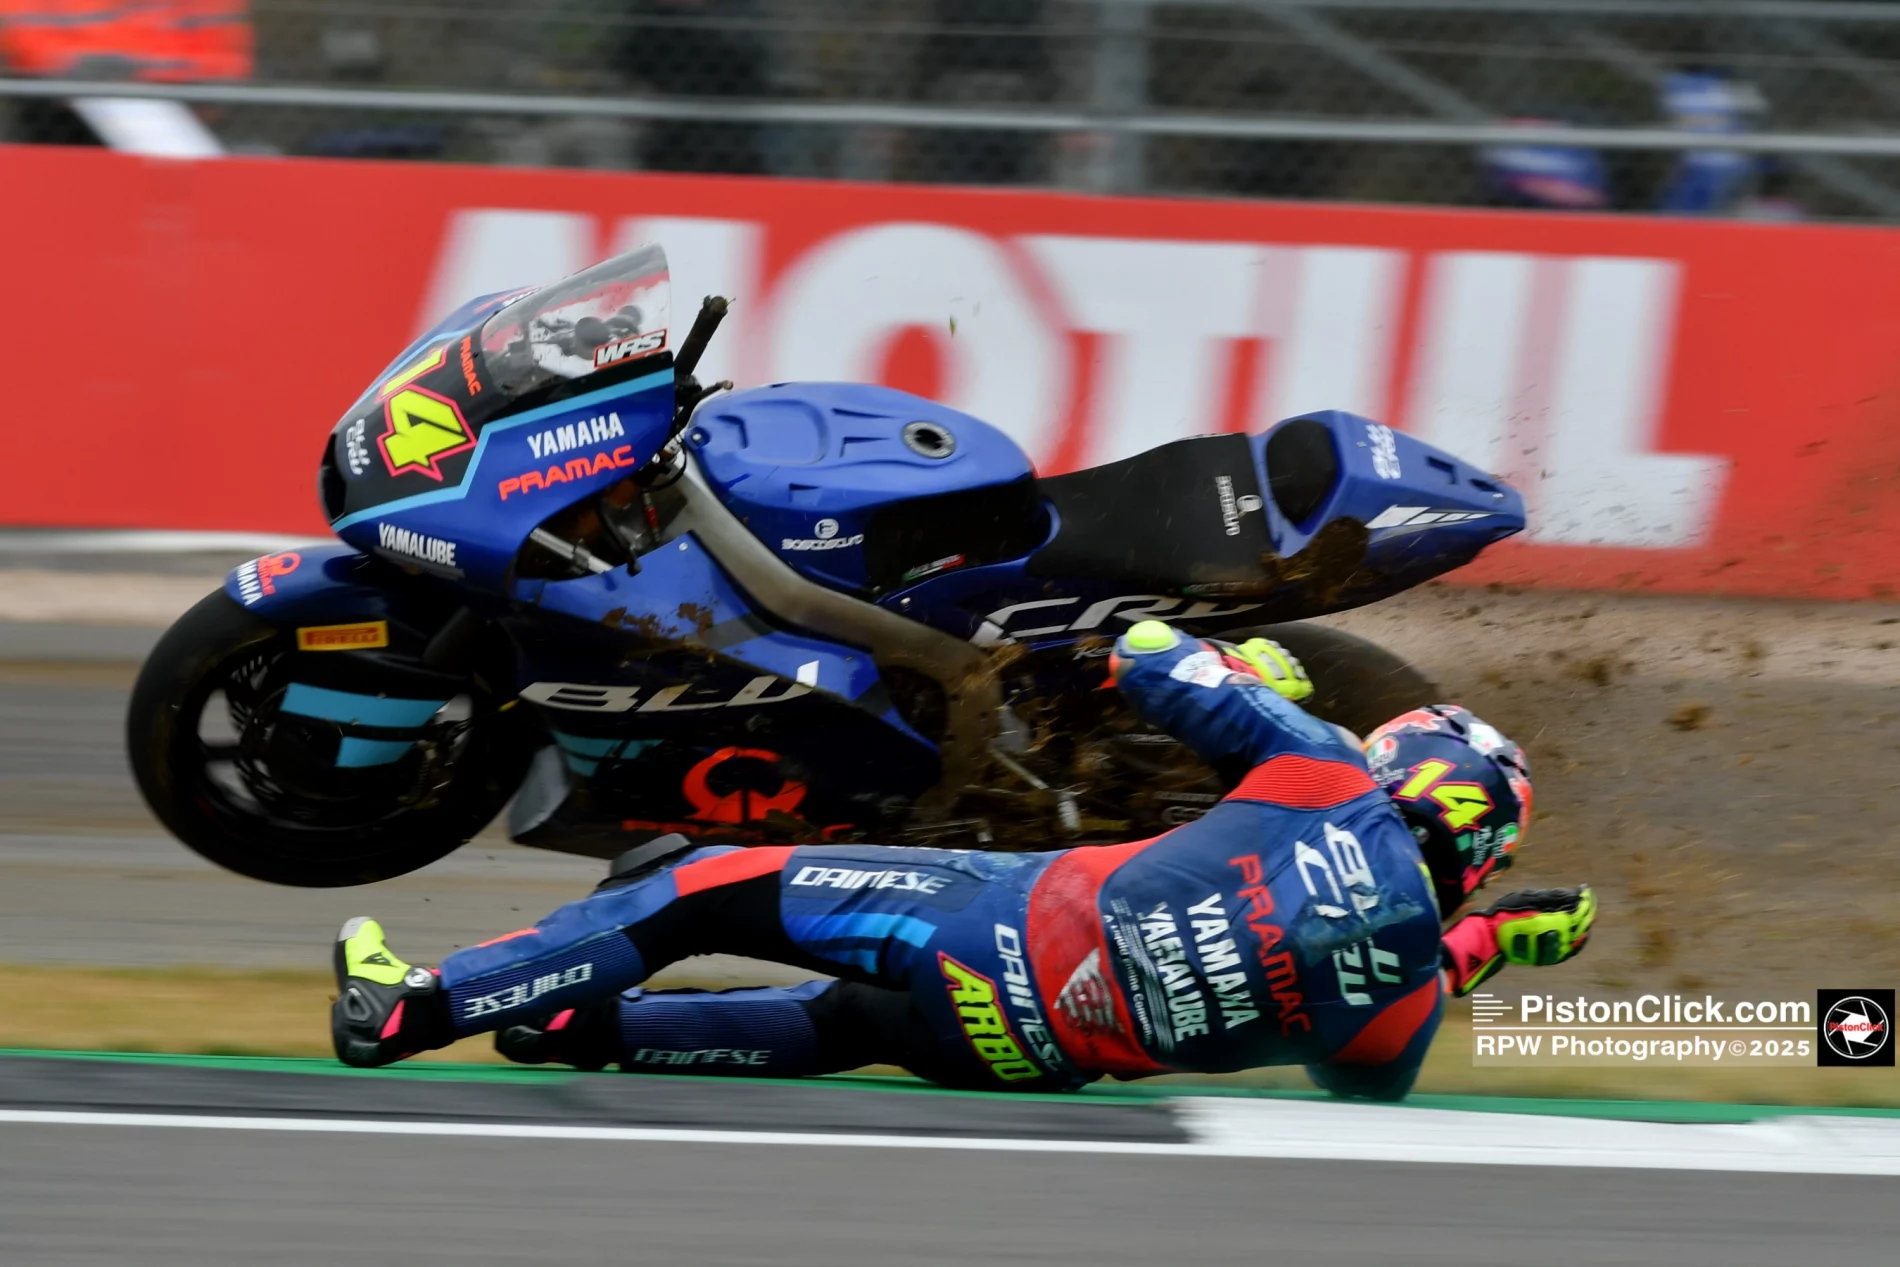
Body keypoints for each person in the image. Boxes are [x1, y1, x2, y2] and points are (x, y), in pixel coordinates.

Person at [331, 621, 1595, 1099]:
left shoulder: (1323, 771)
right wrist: (1479, 950)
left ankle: (414, 1008)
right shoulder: (1407, 997)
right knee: (841, 1027)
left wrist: (1255, 676)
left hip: (981, 930)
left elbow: (1152, 657)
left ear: (1404, 769)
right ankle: (582, 1035)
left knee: (695, 888)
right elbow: (1369, 1090)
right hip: (1028, 1058)